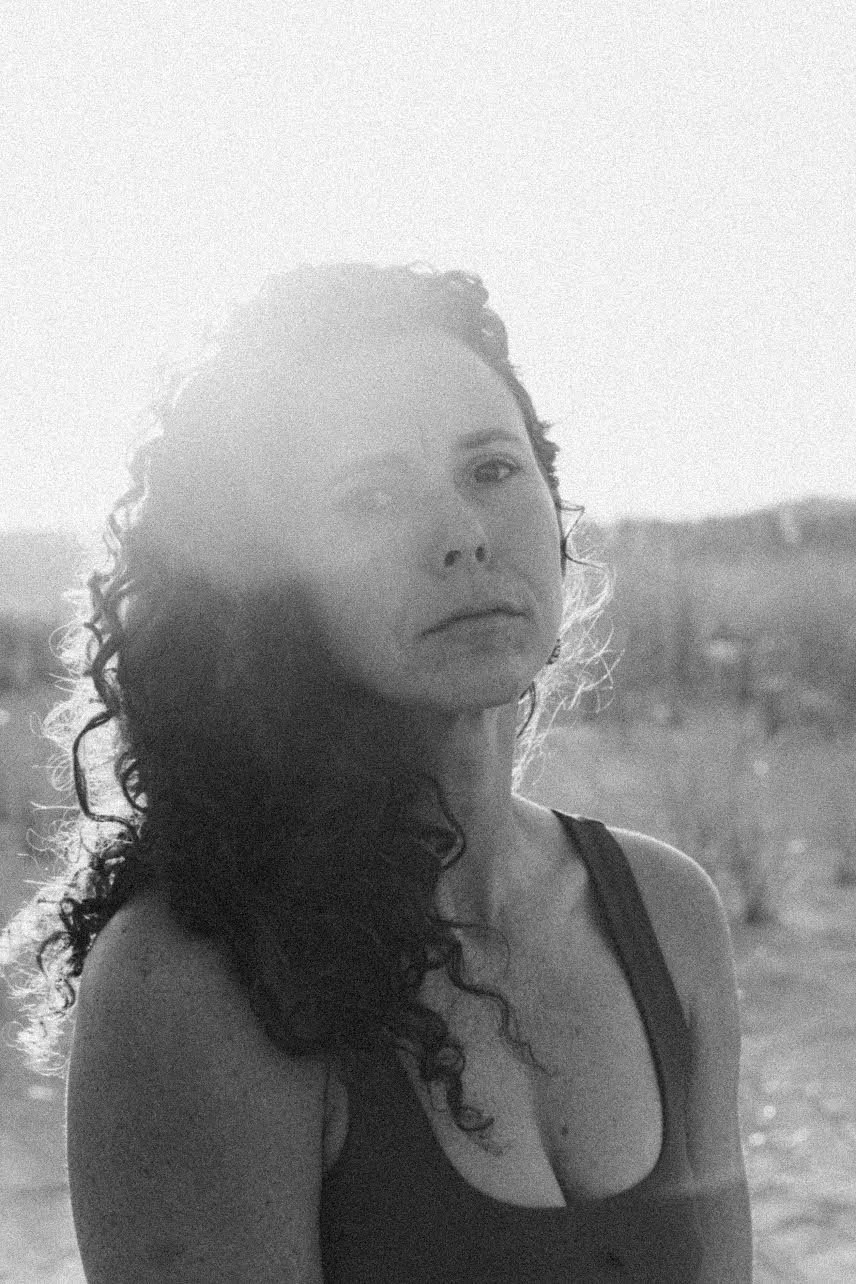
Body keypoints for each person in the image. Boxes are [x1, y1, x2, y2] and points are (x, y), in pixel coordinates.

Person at [5, 264, 752, 1281]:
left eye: (493, 469)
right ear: (264, 581)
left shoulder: (663, 912)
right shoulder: (196, 981)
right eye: (373, 497)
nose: (462, 536)